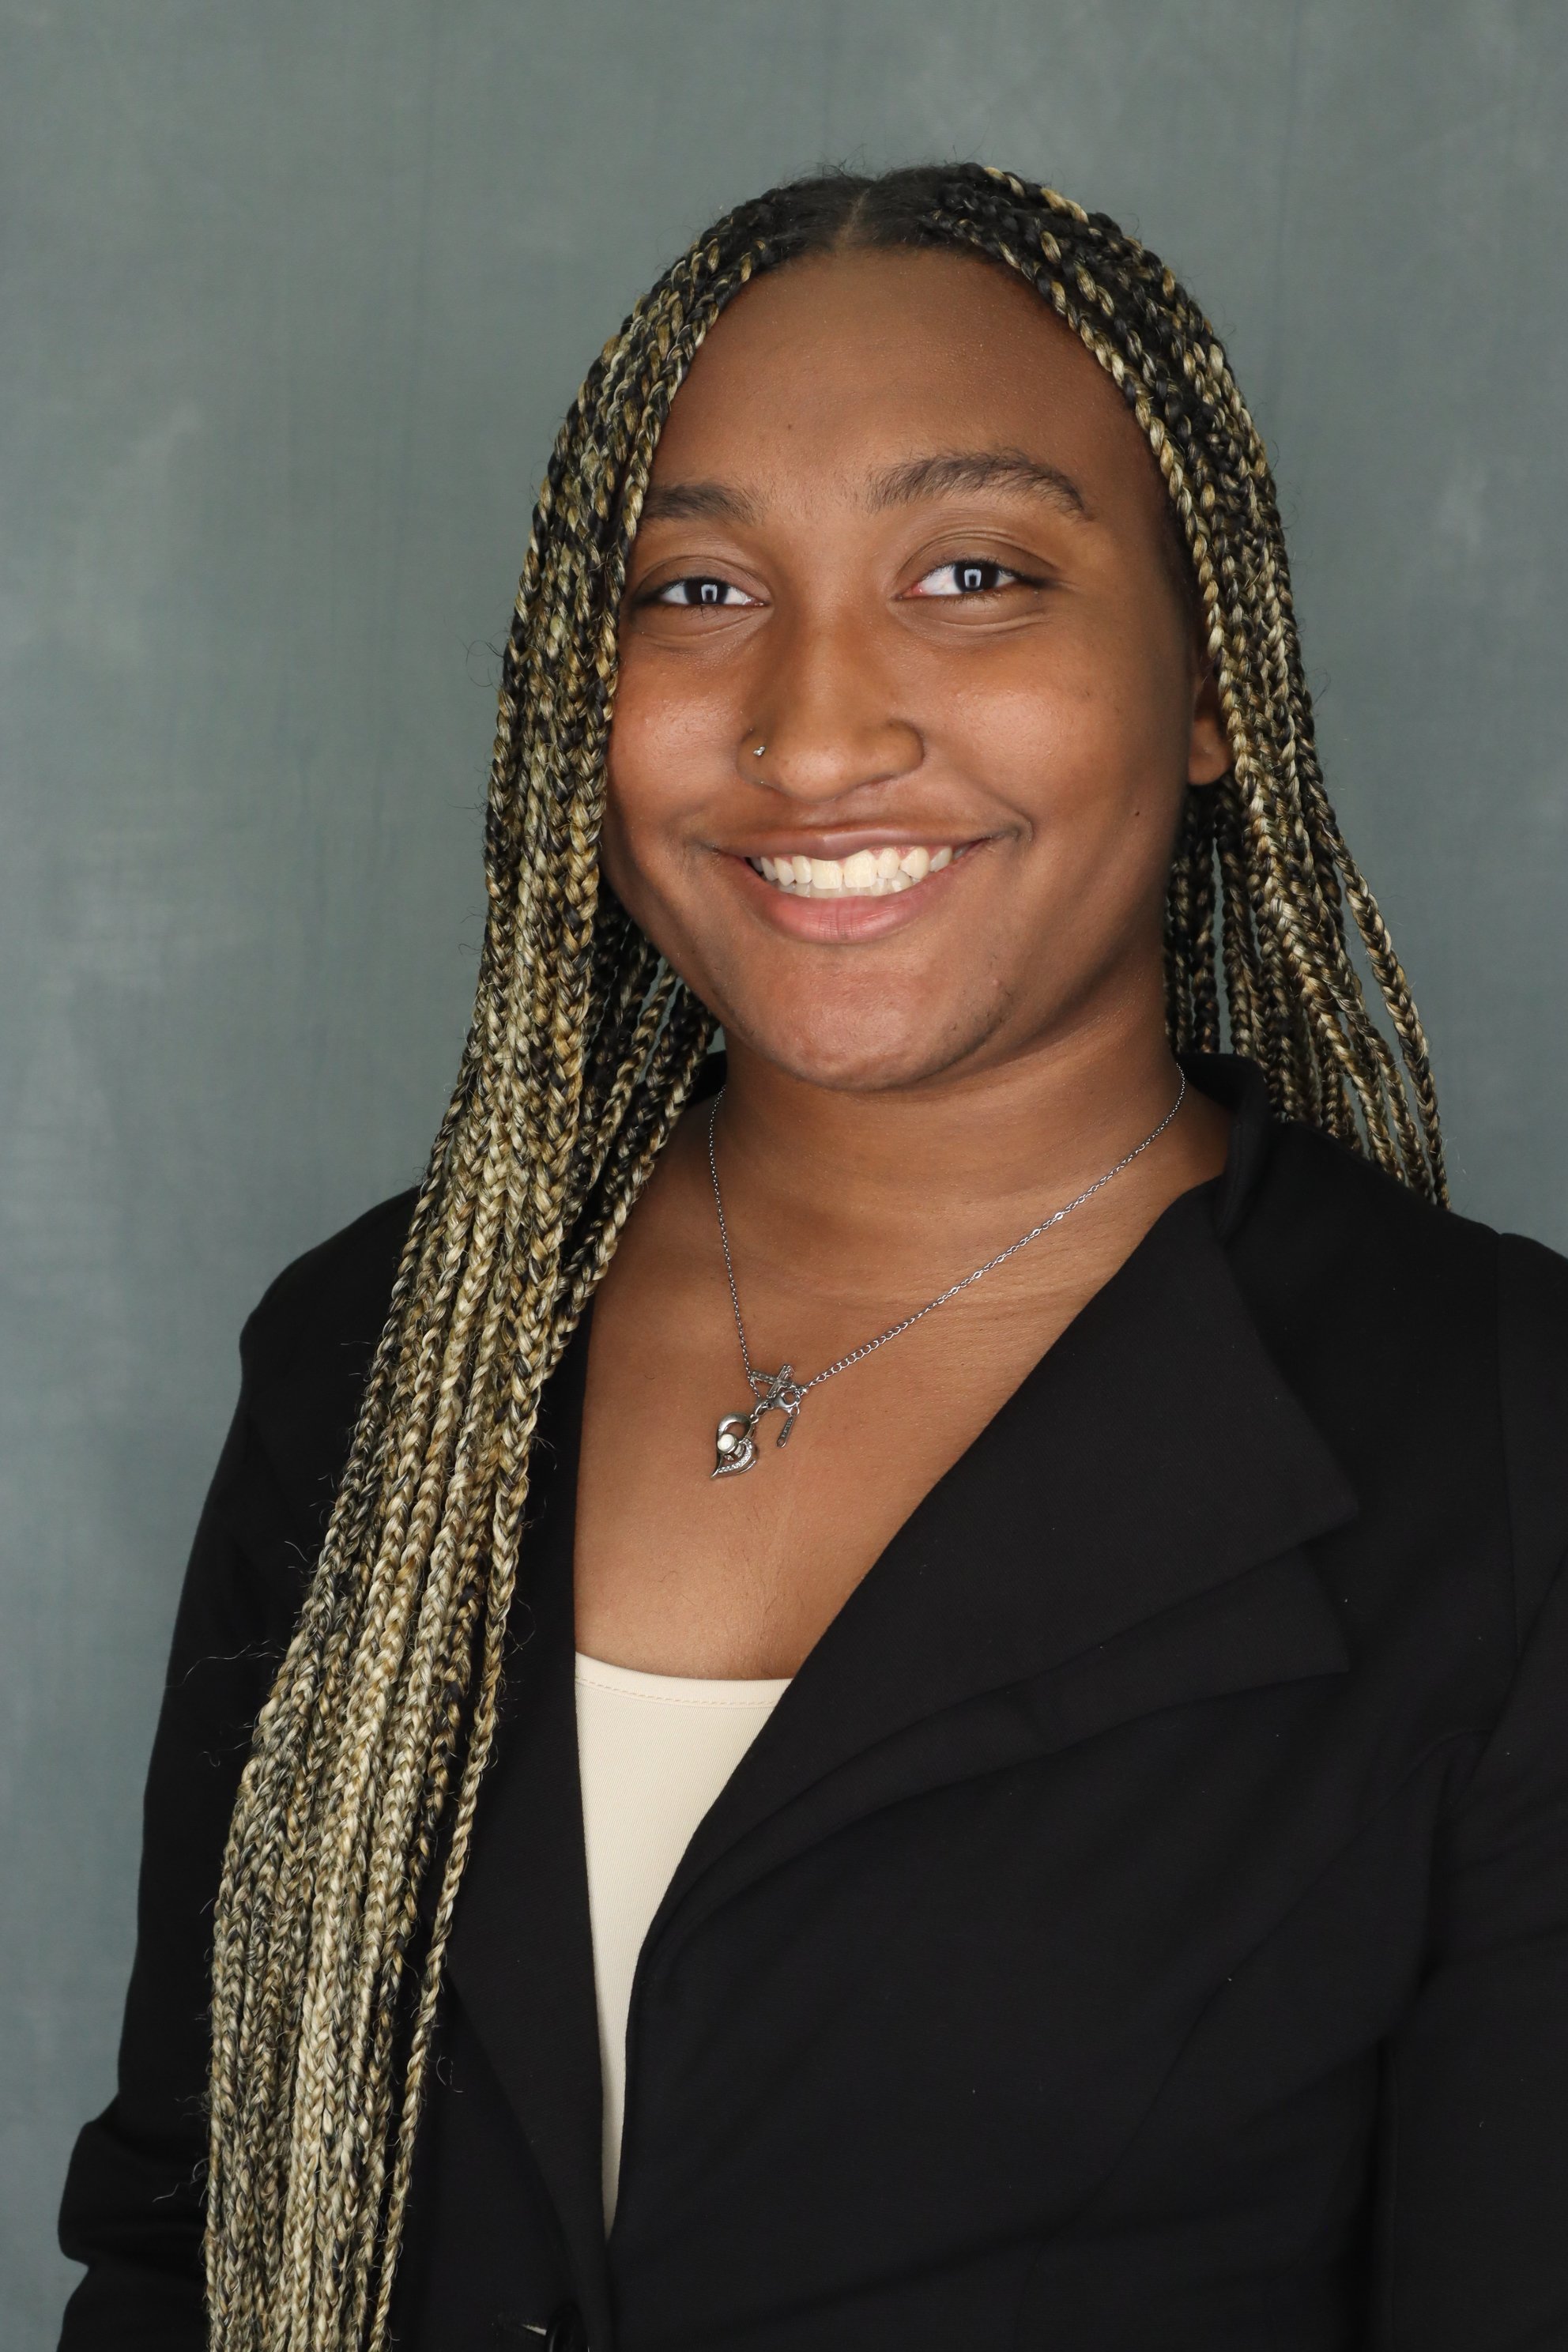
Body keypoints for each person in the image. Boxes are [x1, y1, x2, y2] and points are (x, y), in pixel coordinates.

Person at [57, 164, 1568, 2352]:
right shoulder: (375, 1360)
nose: (814, 730)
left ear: (1213, 675)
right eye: (695, 590)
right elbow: (182, 2239)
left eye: (975, 575)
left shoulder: (1505, 1454)